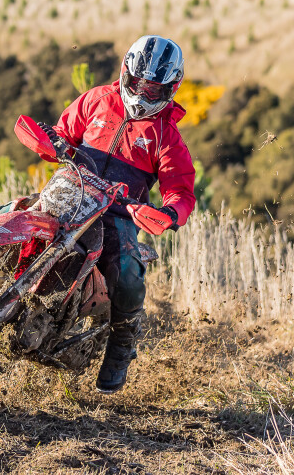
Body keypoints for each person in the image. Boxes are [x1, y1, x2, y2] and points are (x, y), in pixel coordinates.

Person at [37, 35, 196, 393]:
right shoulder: (97, 99)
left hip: (119, 213)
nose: (142, 94)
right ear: (125, 73)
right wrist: (52, 142)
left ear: (171, 89)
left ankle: (122, 345)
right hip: (70, 191)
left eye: (153, 90)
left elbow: (181, 191)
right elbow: (63, 133)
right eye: (137, 83)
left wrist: (171, 212)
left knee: (126, 273)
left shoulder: (167, 136)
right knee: (13, 212)